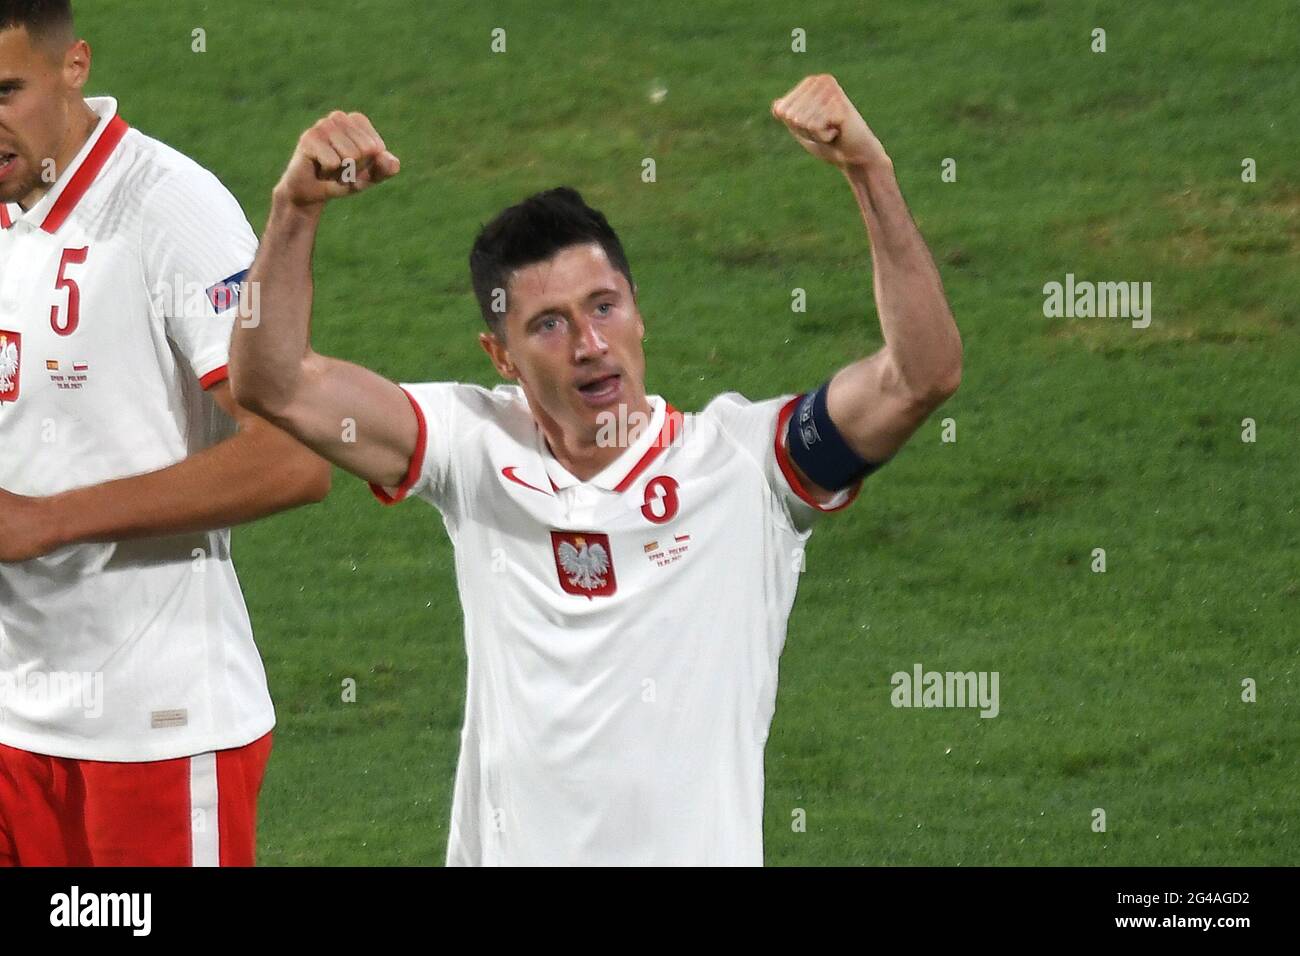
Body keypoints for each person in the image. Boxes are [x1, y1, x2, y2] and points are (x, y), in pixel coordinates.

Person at [230, 73, 961, 865]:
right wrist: (294, 213)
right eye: (549, 323)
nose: (589, 343)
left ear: (639, 310)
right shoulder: (471, 449)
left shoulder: (749, 467)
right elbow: (275, 383)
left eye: (604, 306)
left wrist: (870, 173)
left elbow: (920, 375)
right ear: (500, 356)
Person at [0, 0, 331, 866]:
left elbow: (294, 455)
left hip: (155, 734)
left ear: (74, 67)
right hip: (12, 727)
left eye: (5, 92)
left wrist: (49, 519)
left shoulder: (167, 209)